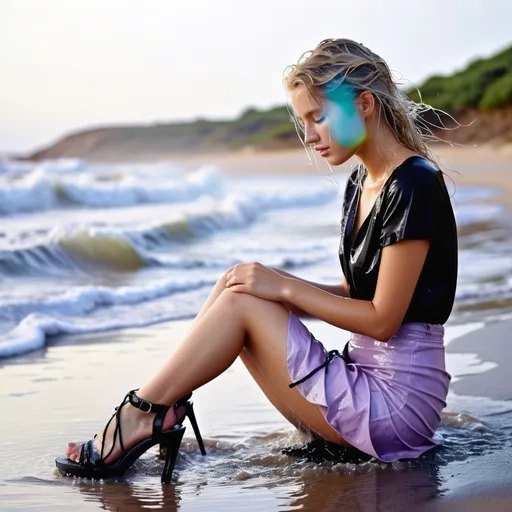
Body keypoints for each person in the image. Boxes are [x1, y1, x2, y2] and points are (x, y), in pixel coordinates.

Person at [56, 38, 457, 482]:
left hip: (397, 406)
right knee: (239, 282)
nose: (308, 136)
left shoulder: (414, 183)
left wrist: (284, 289)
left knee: (248, 299)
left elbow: (382, 319)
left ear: (364, 103)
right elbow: (354, 293)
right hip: (364, 378)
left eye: (318, 117)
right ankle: (160, 408)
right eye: (304, 121)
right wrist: (273, 281)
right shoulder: (361, 184)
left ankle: (142, 415)